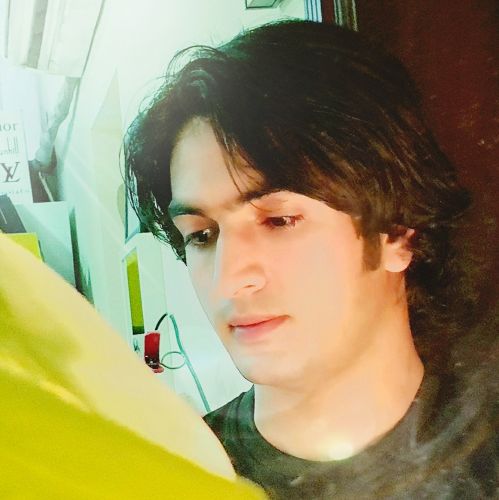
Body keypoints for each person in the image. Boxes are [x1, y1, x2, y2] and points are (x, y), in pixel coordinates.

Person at [124, 20, 496, 499]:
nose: (227, 280)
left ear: (397, 232)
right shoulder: (176, 484)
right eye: (202, 236)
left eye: (279, 220)